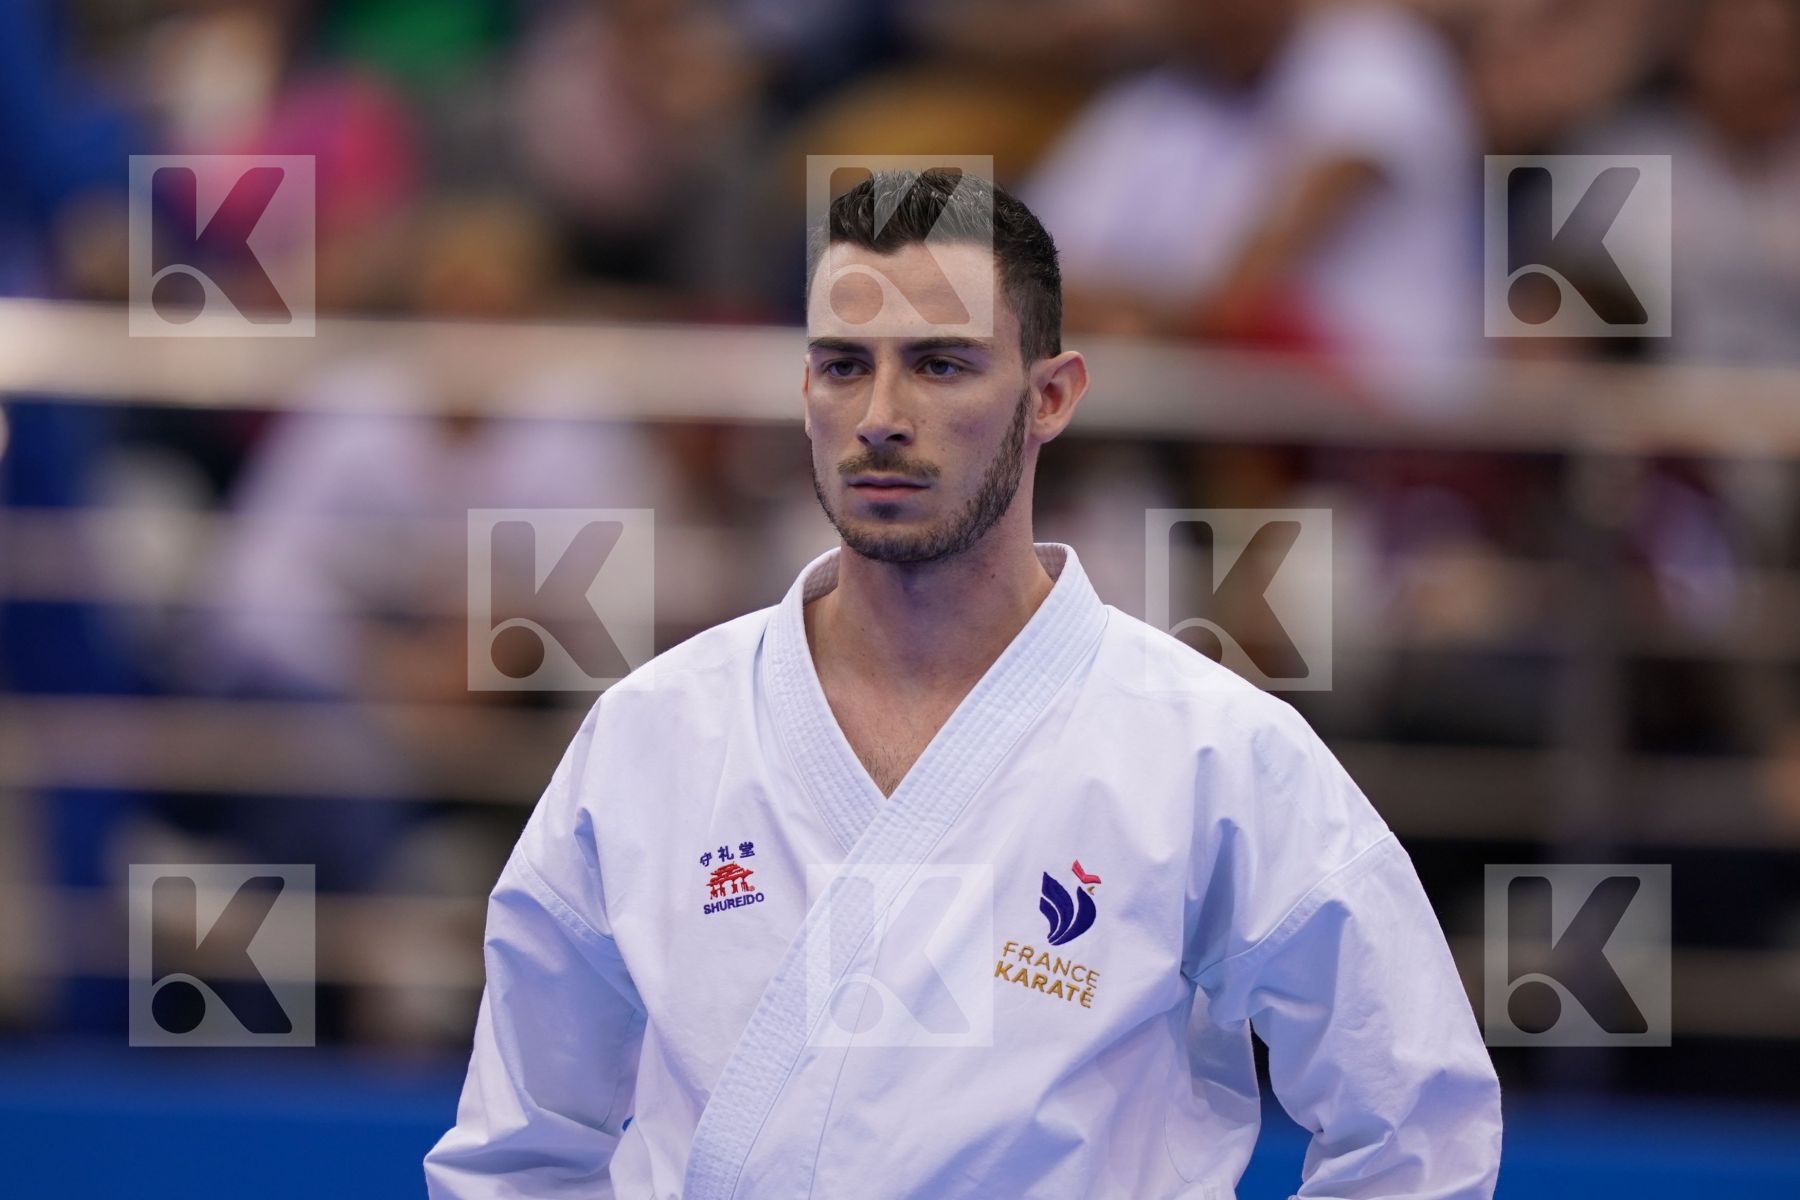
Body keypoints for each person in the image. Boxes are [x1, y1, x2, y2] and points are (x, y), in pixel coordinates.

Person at [424, 170, 1503, 1198]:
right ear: (804, 387)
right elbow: (518, 1149)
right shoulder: (654, 735)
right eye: (845, 364)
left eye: (941, 364)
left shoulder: (1212, 751)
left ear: (1051, 397)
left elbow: (1419, 1125)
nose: (881, 415)